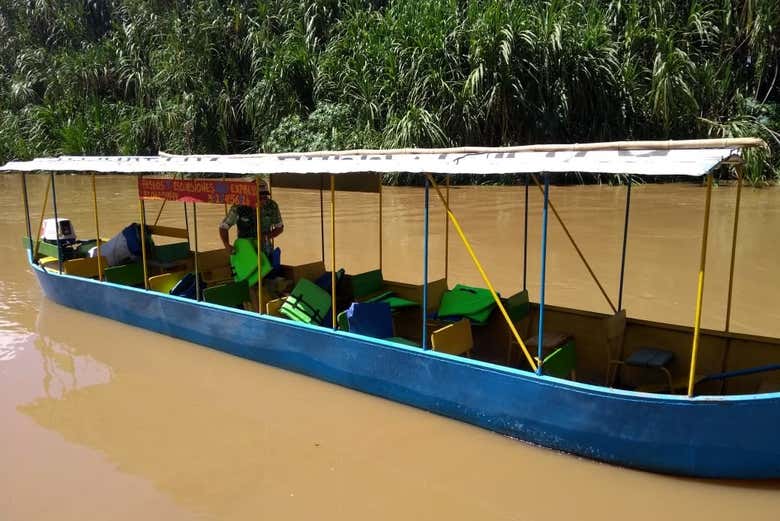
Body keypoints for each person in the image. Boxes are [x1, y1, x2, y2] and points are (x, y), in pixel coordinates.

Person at [219, 180, 283, 258]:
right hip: (245, 249)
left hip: (265, 249)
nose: (263, 200)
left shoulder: (272, 206)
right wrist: (226, 245)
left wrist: (266, 237)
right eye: (260, 197)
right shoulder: (239, 207)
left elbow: (280, 228)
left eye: (265, 197)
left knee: (267, 267)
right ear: (250, 196)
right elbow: (223, 227)